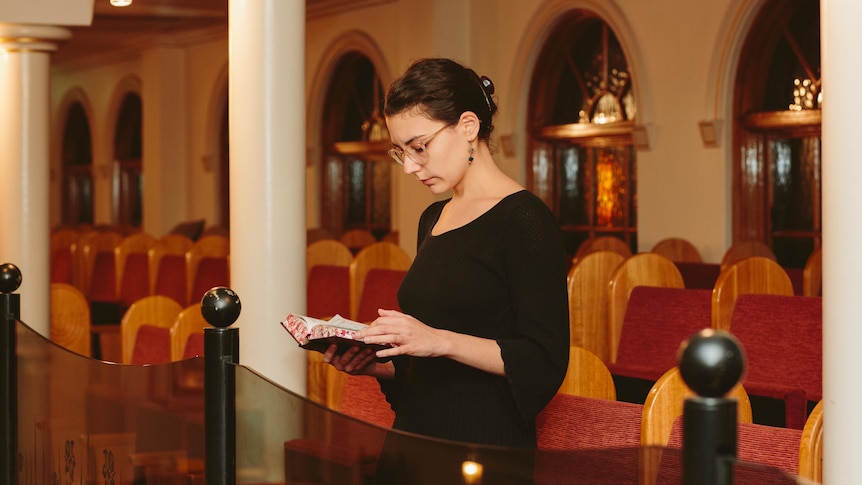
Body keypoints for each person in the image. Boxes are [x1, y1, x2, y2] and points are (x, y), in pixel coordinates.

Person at [324, 57, 569, 457]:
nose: (410, 167)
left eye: (420, 147)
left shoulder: (525, 220)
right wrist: (378, 365)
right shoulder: (433, 218)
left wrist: (437, 340)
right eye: (401, 151)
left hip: (483, 445)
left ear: (468, 127)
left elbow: (543, 360)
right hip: (416, 436)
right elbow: (429, 364)